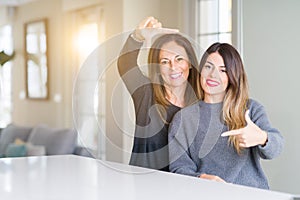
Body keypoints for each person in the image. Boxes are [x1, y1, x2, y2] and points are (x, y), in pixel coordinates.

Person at [168, 42, 284, 189]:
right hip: (207, 194)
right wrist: (202, 178)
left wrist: (262, 138)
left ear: (232, 76)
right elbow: (179, 168)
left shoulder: (251, 109)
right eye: (208, 67)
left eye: (223, 70)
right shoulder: (183, 119)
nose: (213, 75)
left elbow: (276, 147)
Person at [117, 16, 201, 171]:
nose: (173, 67)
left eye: (179, 59)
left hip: (185, 188)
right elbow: (125, 64)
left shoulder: (201, 103)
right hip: (144, 188)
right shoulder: (146, 94)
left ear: (189, 63)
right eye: (164, 61)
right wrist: (138, 36)